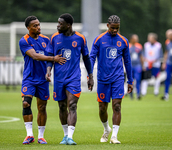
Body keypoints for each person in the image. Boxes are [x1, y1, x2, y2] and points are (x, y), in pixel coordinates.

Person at [45, 13, 94, 145]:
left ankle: (71, 137)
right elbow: (50, 55)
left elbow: (86, 58)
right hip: (59, 78)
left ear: (68, 25)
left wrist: (90, 76)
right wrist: (48, 70)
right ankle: (65, 135)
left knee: (72, 105)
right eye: (58, 23)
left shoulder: (80, 38)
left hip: (74, 78)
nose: (57, 25)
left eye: (60, 24)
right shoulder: (54, 38)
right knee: (62, 106)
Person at [19, 16, 66, 145]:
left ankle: (40, 136)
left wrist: (49, 71)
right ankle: (29, 135)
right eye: (35, 25)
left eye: (38, 24)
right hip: (29, 78)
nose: (38, 27)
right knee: (26, 103)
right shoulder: (24, 41)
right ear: (28, 28)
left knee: (42, 107)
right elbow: (34, 56)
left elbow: (51, 55)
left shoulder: (46, 40)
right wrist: (53, 59)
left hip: (43, 79)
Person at [90, 15, 133, 144]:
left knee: (117, 106)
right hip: (103, 78)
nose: (115, 31)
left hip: (118, 78)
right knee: (102, 108)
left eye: (117, 28)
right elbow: (91, 57)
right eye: (113, 28)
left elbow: (128, 62)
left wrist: (130, 81)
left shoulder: (124, 41)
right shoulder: (99, 39)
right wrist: (90, 75)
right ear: (108, 25)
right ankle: (106, 129)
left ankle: (114, 136)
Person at [129, 34, 144, 100]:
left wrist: (143, 65)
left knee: (138, 80)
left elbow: (141, 56)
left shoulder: (139, 46)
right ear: (131, 39)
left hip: (137, 65)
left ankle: (138, 94)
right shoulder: (128, 46)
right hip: (130, 66)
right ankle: (131, 94)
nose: (137, 39)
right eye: (135, 38)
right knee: (130, 81)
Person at [161, 29, 172, 101]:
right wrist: (164, 62)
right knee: (167, 78)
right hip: (169, 63)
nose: (167, 37)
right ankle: (166, 94)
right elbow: (166, 53)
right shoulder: (167, 42)